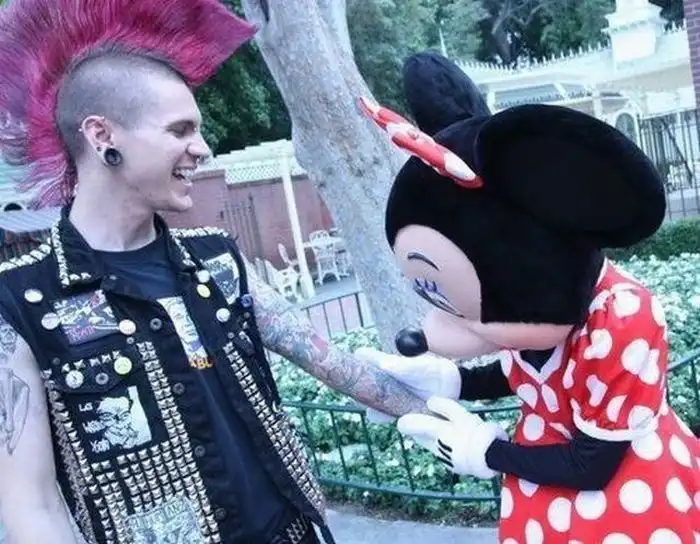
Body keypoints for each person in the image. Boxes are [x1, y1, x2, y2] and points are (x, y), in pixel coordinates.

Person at [0, 1, 428, 543]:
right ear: (102, 136)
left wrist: (478, 424)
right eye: (180, 130)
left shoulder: (215, 260)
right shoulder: (22, 301)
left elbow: (336, 366)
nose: (201, 149)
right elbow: (33, 508)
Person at [355, 51, 700, 543]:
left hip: (626, 508)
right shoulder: (535, 313)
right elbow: (533, 374)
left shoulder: (623, 316)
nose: (432, 333)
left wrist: (487, 452)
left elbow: (594, 463)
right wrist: (450, 381)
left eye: (473, 313)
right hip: (541, 503)